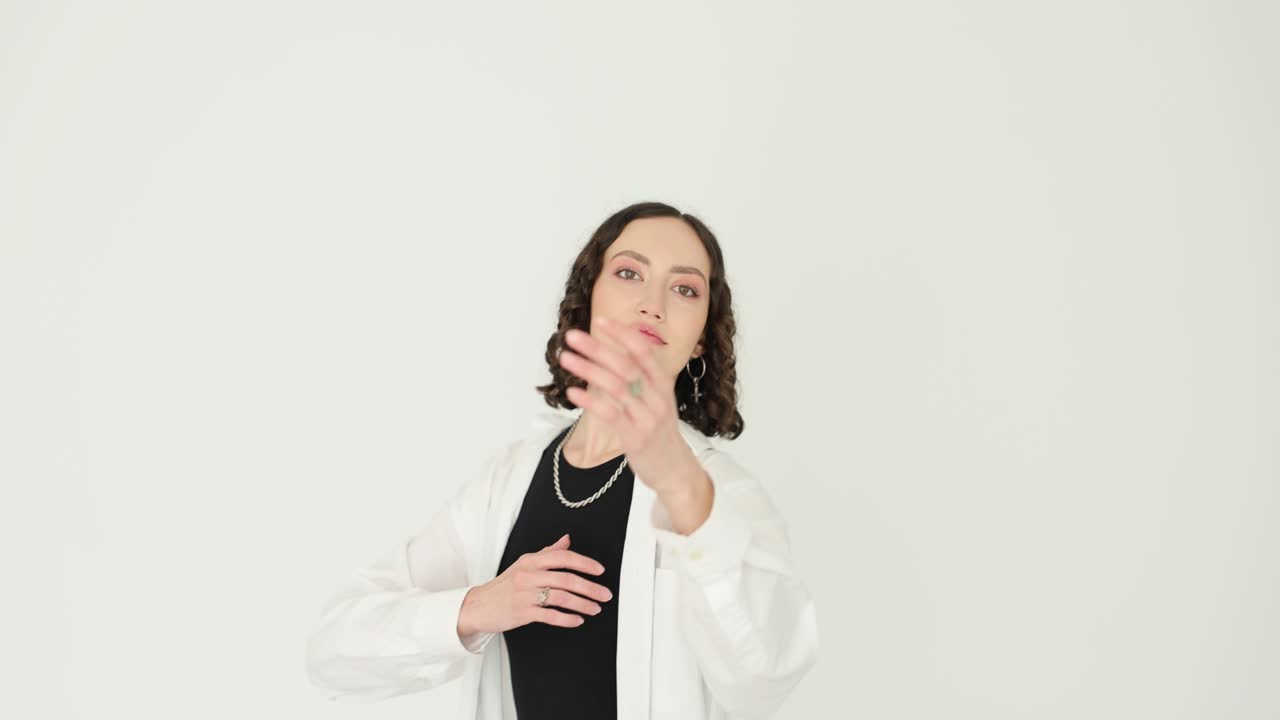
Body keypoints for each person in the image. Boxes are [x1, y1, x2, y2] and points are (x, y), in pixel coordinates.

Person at [305, 202, 819, 719]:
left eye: (684, 288)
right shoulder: (505, 482)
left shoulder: (719, 492)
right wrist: (481, 606)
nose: (652, 303)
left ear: (700, 338)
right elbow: (334, 650)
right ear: (588, 298)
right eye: (628, 273)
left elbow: (767, 677)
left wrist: (681, 483)